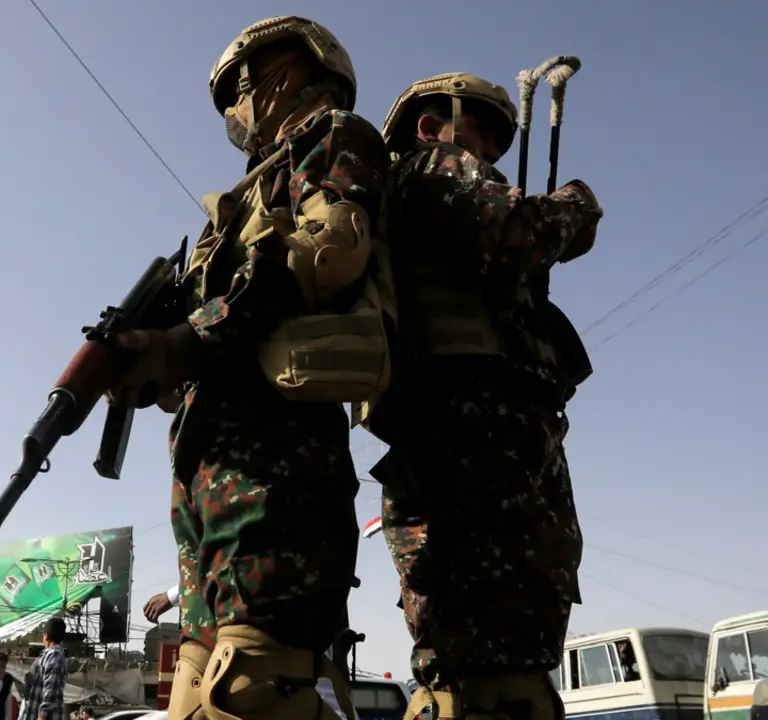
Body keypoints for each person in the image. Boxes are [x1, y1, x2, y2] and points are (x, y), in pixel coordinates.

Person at [106, 15, 389, 720]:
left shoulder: (333, 137)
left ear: (283, 74)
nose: (235, 111)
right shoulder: (238, 204)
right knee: (197, 696)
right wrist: (151, 359)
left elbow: (329, 250)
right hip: (208, 475)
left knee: (256, 687)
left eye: (239, 89)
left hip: (275, 466)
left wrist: (185, 340)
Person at [370, 72, 600, 719]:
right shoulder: (432, 166)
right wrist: (576, 204)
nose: (489, 166)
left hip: (457, 433)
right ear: (430, 128)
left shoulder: (406, 206)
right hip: (480, 434)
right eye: (481, 145)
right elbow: (514, 233)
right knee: (497, 677)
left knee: (475, 668)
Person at [19, 618, 68, 720]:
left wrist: (43, 715)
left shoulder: (54, 654)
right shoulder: (49, 654)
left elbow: (51, 687)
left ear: (46, 635)